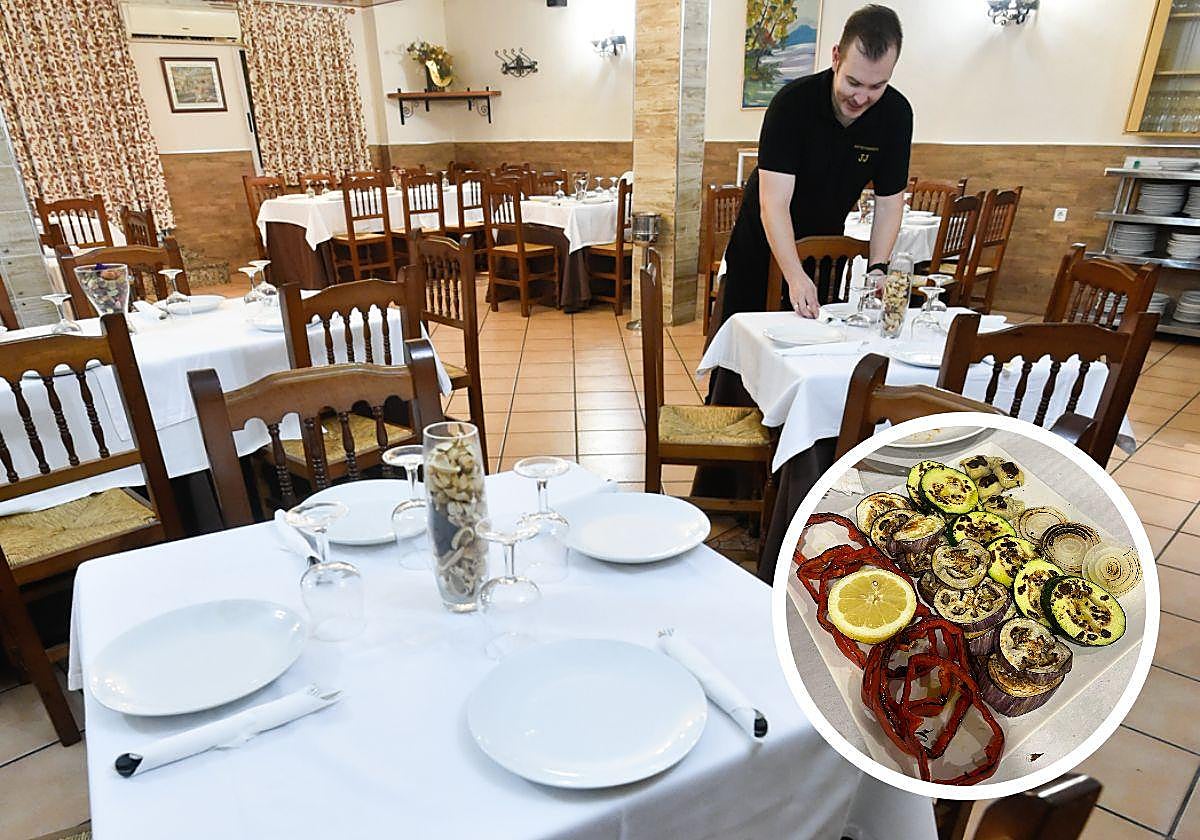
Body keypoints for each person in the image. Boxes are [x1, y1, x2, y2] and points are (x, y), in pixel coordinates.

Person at [712, 4, 912, 332]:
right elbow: (773, 204)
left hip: (825, 249)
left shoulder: (896, 115)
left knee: (817, 338)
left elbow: (890, 203)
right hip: (762, 244)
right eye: (853, 82)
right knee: (747, 344)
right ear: (835, 57)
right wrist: (794, 276)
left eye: (876, 87)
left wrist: (878, 267)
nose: (861, 98)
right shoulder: (793, 104)